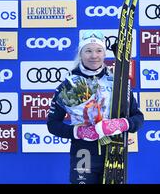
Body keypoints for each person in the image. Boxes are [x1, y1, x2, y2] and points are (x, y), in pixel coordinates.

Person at [47, 30, 144, 184]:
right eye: (88, 51)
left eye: (99, 50)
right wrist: (79, 132)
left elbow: (138, 118)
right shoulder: (69, 84)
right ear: (81, 53)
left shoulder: (117, 82)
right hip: (83, 152)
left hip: (115, 154)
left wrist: (122, 124)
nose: (94, 56)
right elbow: (53, 125)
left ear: (104, 53)